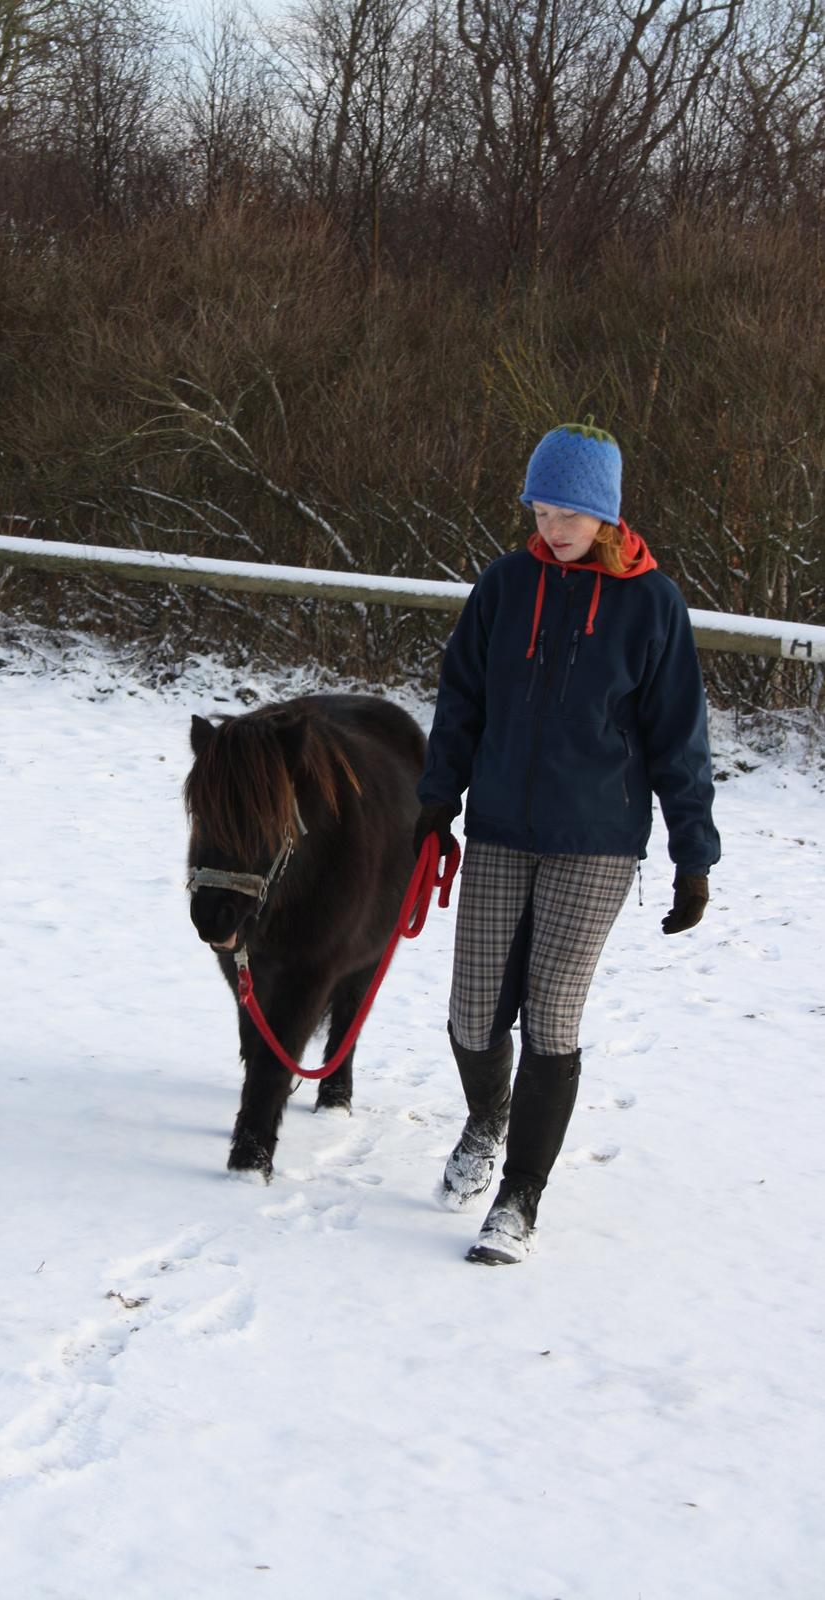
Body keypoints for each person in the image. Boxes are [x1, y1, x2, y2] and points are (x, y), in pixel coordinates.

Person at [413, 422, 720, 1265]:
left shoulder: (650, 604)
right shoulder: (506, 585)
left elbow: (677, 736)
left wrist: (692, 855)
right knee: (473, 1014)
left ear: (606, 516)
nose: (553, 527)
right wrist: (437, 801)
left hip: (595, 842)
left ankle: (519, 1196)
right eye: (542, 509)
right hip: (502, 828)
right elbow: (461, 699)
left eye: (570, 514)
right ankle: (486, 1119)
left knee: (550, 1018)